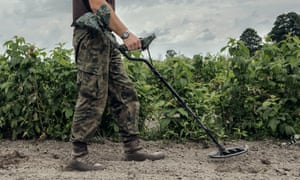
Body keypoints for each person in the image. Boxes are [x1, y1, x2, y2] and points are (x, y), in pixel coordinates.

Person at [65, 0, 165, 171]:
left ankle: (133, 148)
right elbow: (97, 4)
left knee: (124, 90)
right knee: (93, 93)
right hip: (90, 35)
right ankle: (78, 155)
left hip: (105, 34)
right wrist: (125, 34)